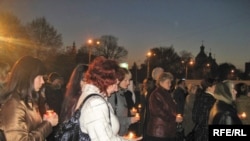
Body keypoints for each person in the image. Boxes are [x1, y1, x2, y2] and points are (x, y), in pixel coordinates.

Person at [75, 56, 142, 141]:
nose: (116, 89)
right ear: (105, 81)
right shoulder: (95, 104)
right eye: (115, 84)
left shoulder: (91, 96)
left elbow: (105, 136)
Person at [0, 55, 58, 141]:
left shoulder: (27, 99)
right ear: (27, 77)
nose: (42, 81)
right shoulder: (14, 104)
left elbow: (30, 129)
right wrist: (47, 124)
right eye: (39, 77)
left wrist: (44, 122)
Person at [145, 72, 183, 141]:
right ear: (161, 82)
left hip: (166, 130)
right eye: (168, 82)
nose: (170, 84)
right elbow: (158, 112)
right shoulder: (156, 94)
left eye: (170, 82)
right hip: (159, 131)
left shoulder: (165, 93)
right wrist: (174, 118)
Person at [108, 67, 140, 136]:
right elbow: (111, 117)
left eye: (129, 80)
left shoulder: (124, 93)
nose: (128, 83)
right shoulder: (113, 95)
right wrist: (129, 120)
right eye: (125, 80)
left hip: (123, 132)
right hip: (115, 134)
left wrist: (130, 112)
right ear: (118, 80)